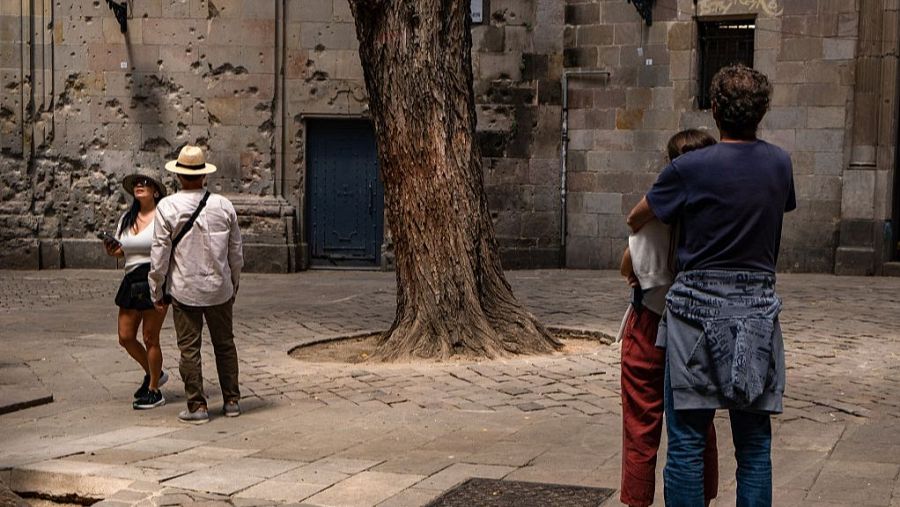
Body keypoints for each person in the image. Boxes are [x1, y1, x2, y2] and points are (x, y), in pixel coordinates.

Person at [626, 64, 796, 507]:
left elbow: (637, 216)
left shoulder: (689, 168)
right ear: (762, 112)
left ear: (715, 109)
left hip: (694, 317)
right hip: (757, 313)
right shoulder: (780, 163)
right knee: (754, 445)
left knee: (686, 443)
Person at [618, 129, 718, 507]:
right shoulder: (716, 218)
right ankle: (702, 498)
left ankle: (638, 501)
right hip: (695, 328)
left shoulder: (656, 214)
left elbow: (627, 266)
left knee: (640, 425)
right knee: (697, 427)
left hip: (648, 322)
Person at [148, 145, 244, 425]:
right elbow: (236, 253)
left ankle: (198, 406)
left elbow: (159, 255)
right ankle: (232, 401)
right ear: (204, 176)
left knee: (189, 348)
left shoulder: (167, 207)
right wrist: (233, 284)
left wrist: (156, 288)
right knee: (225, 345)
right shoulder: (224, 205)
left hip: (185, 289)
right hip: (220, 288)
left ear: (178, 176)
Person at [104, 168, 170, 410]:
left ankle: (154, 389)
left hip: (153, 278)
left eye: (145, 182)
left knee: (150, 337)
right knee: (125, 337)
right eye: (137, 183)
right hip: (131, 279)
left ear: (155, 191)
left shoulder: (163, 217)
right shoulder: (127, 218)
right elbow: (124, 250)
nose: (139, 185)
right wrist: (113, 250)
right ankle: (155, 372)